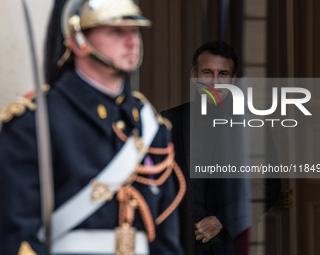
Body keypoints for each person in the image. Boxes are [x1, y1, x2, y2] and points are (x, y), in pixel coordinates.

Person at [0, 0, 184, 254]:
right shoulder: (34, 121)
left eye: (134, 30)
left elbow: (166, 239)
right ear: (77, 41)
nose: (132, 42)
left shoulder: (150, 125)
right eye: (116, 32)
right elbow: (16, 234)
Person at [162, 41, 281, 255]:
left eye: (223, 74)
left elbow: (268, 185)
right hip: (177, 244)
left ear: (233, 79)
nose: (215, 82)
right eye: (207, 72)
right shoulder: (168, 121)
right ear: (194, 76)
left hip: (229, 244)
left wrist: (223, 220)